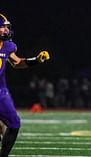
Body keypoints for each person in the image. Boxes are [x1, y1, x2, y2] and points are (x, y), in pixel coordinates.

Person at [0, 13, 50, 156]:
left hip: (0, 91)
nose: (6, 30)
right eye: (2, 27)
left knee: (14, 123)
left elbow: (17, 63)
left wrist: (36, 60)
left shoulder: (7, 46)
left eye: (6, 27)